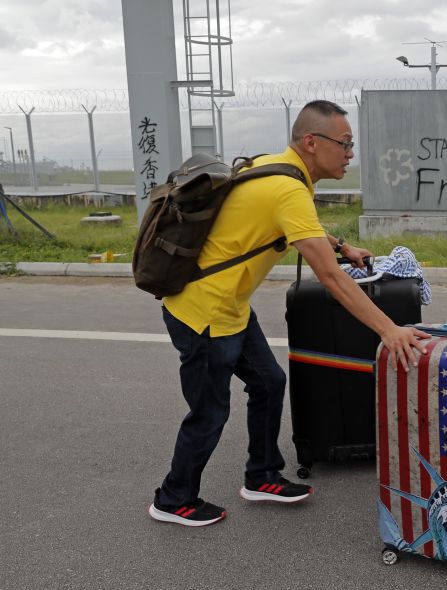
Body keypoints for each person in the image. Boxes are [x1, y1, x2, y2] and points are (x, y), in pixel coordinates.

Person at [148, 100, 430, 527]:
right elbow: (332, 279)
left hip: (231, 309)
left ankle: (261, 476)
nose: (351, 153)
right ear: (312, 143)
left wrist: (340, 245)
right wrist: (389, 330)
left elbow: (299, 226)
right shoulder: (288, 187)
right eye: (345, 143)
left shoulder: (280, 168)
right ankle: (173, 497)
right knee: (209, 411)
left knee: (269, 382)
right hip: (203, 313)